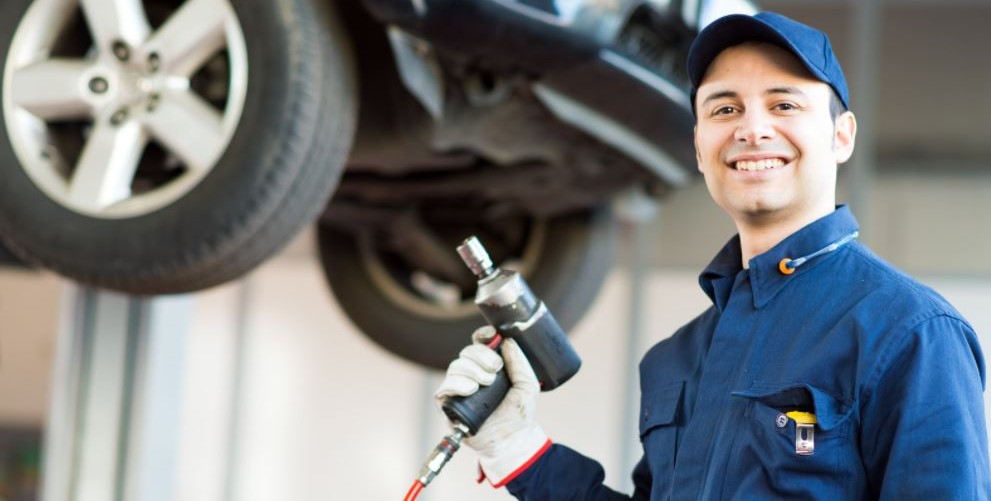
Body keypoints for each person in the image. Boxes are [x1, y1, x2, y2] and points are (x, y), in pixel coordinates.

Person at [434, 11, 991, 500]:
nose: (752, 129)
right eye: (724, 109)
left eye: (785, 103)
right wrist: (513, 446)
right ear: (700, 146)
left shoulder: (910, 332)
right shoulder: (674, 358)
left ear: (840, 136)